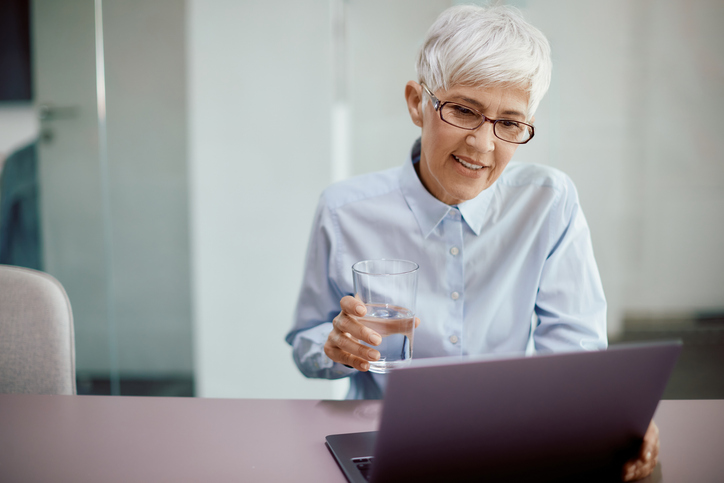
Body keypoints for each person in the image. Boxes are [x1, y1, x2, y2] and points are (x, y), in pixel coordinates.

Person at [285, 5, 658, 481]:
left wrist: (610, 415)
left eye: (509, 122)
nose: (483, 145)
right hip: (380, 441)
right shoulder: (344, 211)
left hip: (514, 441)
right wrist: (335, 345)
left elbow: (576, 353)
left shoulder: (549, 202)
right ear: (417, 102)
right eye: (463, 110)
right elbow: (305, 341)